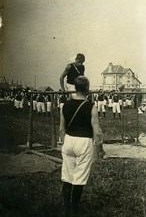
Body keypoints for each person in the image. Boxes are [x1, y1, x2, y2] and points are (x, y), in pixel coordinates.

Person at [59, 76, 105, 217]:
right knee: (79, 177)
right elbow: (97, 131)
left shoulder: (65, 105)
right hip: (84, 142)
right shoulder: (91, 106)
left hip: (68, 140)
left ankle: (66, 209)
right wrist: (99, 148)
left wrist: (65, 142)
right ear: (87, 89)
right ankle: (74, 209)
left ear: (75, 88)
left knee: (67, 176)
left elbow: (61, 129)